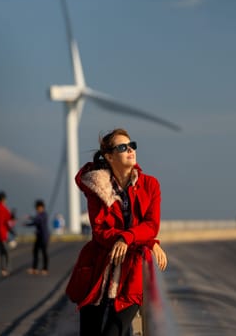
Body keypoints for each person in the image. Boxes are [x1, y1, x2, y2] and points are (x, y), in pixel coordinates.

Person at [65, 128, 168, 336]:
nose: (130, 150)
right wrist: (141, 239)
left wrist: (130, 238)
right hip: (98, 268)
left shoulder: (151, 185)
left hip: (130, 273)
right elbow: (100, 231)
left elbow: (151, 225)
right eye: (123, 147)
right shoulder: (96, 187)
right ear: (109, 156)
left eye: (132, 145)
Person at [25, 199, 50, 275]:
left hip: (44, 237)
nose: (37, 209)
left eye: (38, 208)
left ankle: (45, 269)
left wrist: (28, 223)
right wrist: (30, 218)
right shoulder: (39, 215)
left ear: (42, 207)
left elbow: (37, 221)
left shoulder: (44, 215)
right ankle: (34, 268)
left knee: (44, 253)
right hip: (39, 236)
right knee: (35, 251)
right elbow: (36, 220)